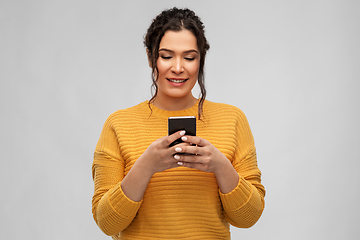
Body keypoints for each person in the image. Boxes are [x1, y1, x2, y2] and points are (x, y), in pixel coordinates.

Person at [92, 7, 265, 240]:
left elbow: (249, 217)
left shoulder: (232, 119)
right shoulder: (118, 124)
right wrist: (146, 165)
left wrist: (220, 166)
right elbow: (107, 223)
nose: (178, 67)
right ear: (150, 57)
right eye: (166, 56)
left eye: (189, 57)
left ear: (200, 59)